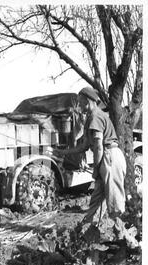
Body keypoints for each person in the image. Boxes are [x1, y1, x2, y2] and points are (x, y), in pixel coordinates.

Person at [55, 86, 139, 249]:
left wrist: (96, 169)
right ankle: (86, 237)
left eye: (80, 102)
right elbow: (84, 146)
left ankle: (125, 242)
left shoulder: (95, 116)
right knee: (96, 202)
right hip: (106, 159)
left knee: (114, 204)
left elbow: (99, 147)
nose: (79, 105)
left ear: (88, 101)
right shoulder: (91, 118)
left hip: (109, 158)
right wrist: (63, 152)